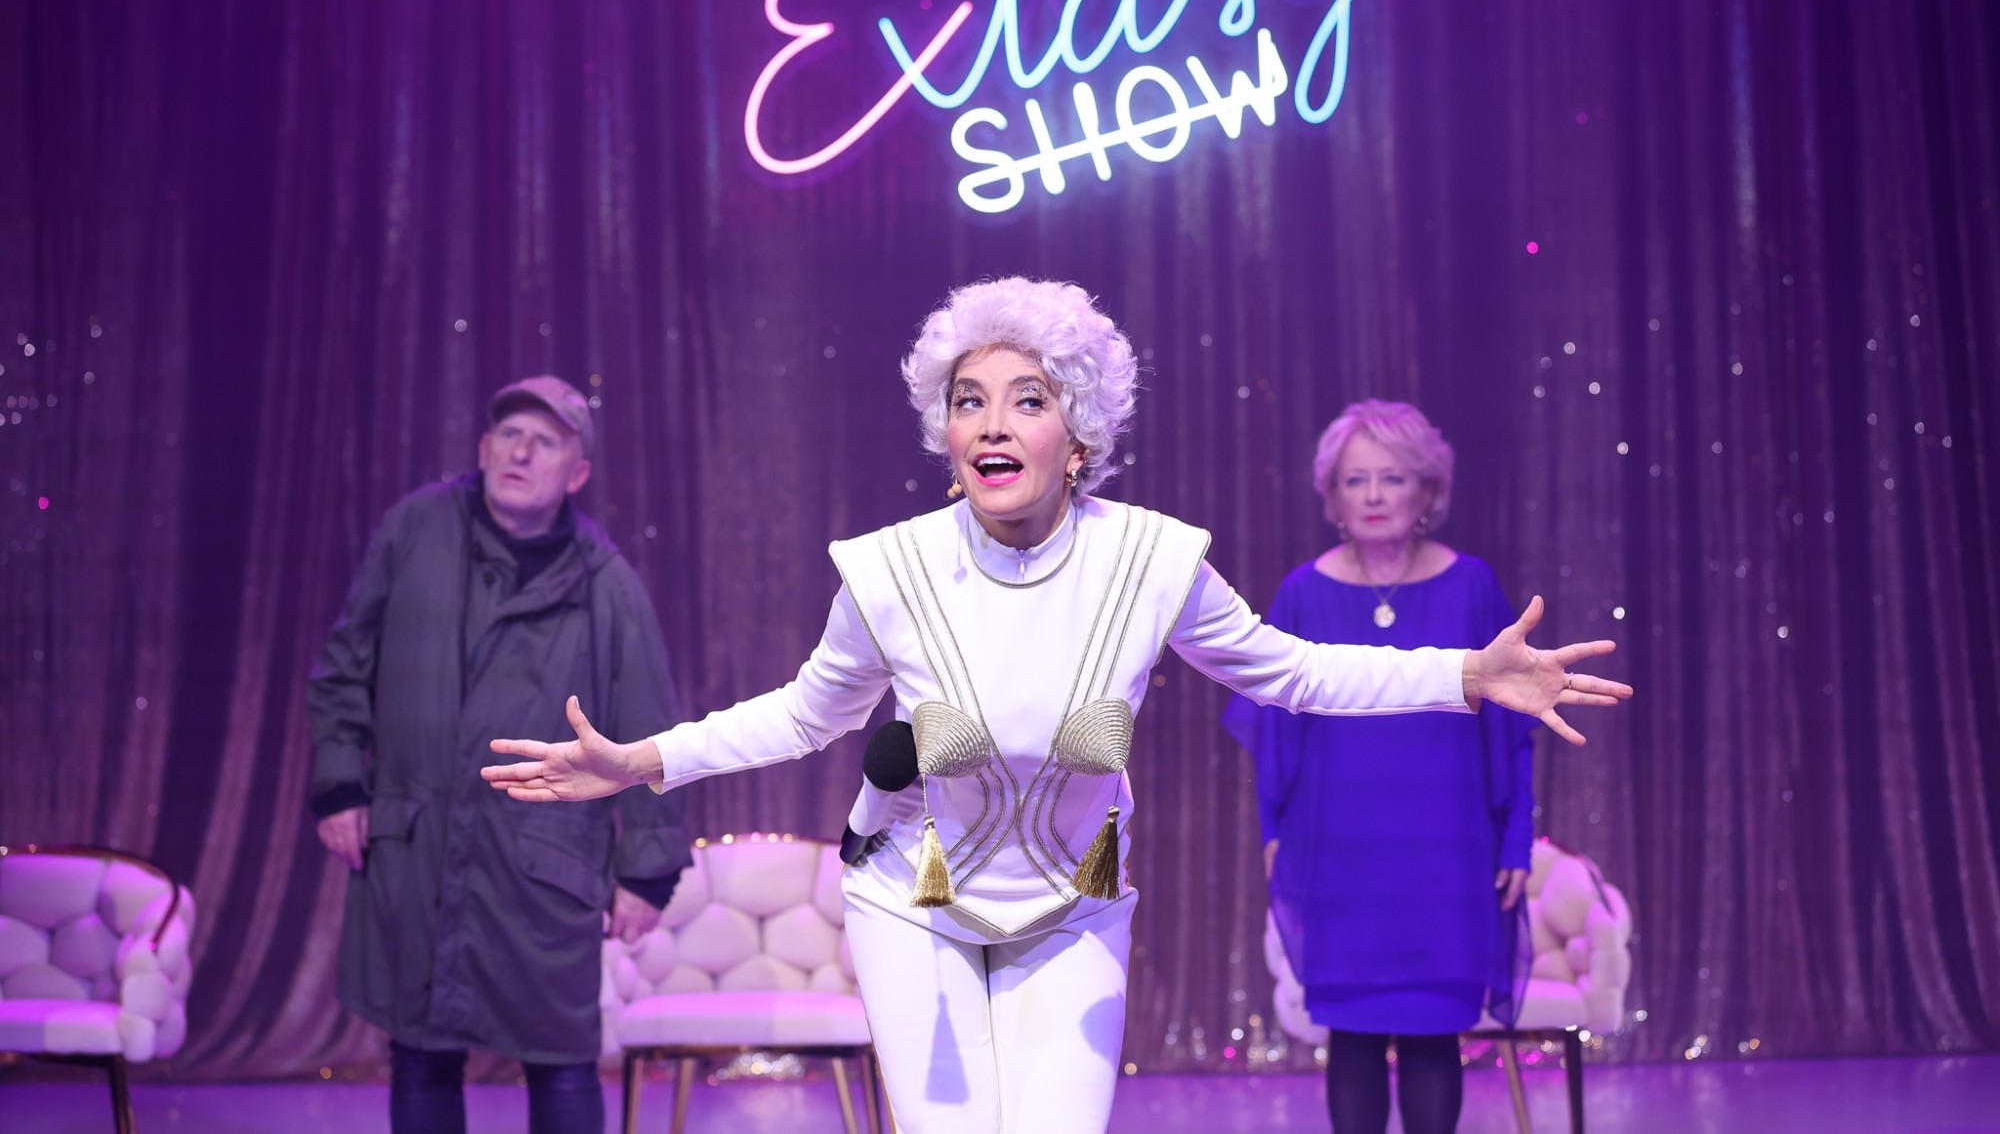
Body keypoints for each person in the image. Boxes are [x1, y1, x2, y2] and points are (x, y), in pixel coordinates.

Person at [479, 280, 1630, 1134]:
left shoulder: (1148, 562)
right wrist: (640, 760)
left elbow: (1290, 671)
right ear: (945, 435)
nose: (990, 422)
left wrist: (1463, 675)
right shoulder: (892, 570)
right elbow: (802, 714)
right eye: (967, 401)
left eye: (1023, 400)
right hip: (913, 902)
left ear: (1074, 435)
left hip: (1074, 906)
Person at [306, 376, 691, 1134]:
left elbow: (650, 733)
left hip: (543, 860)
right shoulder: (416, 530)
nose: (521, 452)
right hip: (419, 846)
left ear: (576, 473)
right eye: (509, 435)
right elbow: (345, 666)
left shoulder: (606, 585)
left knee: (560, 1057)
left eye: (545, 442)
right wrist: (339, 782)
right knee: (420, 1050)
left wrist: (647, 868)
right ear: (484, 449)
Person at [1224, 400, 1537, 1134]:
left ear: (1427, 490)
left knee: (1433, 1032)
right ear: (1330, 495)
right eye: (1354, 479)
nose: (1372, 495)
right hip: (1338, 855)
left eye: (1391, 478)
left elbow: (1514, 725)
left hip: (1449, 856)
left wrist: (1518, 837)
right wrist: (1273, 833)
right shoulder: (1303, 592)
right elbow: (1273, 727)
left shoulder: (1473, 585)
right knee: (1354, 1035)